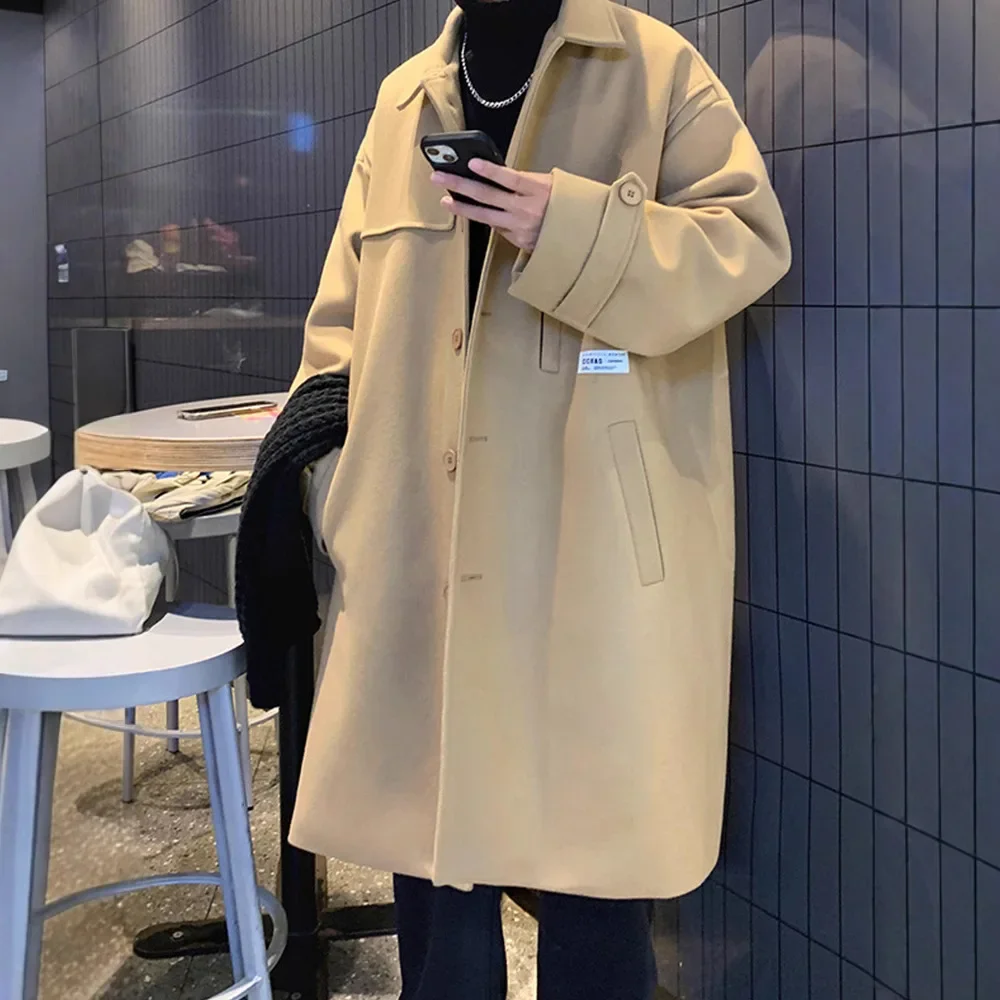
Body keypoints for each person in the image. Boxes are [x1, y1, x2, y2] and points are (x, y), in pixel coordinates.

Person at [258, 0, 790, 996]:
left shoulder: (655, 68)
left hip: (587, 536)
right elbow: (341, 321)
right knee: (430, 856)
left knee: (594, 863)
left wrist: (567, 226)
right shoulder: (404, 102)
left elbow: (747, 242)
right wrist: (341, 486)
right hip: (423, 531)